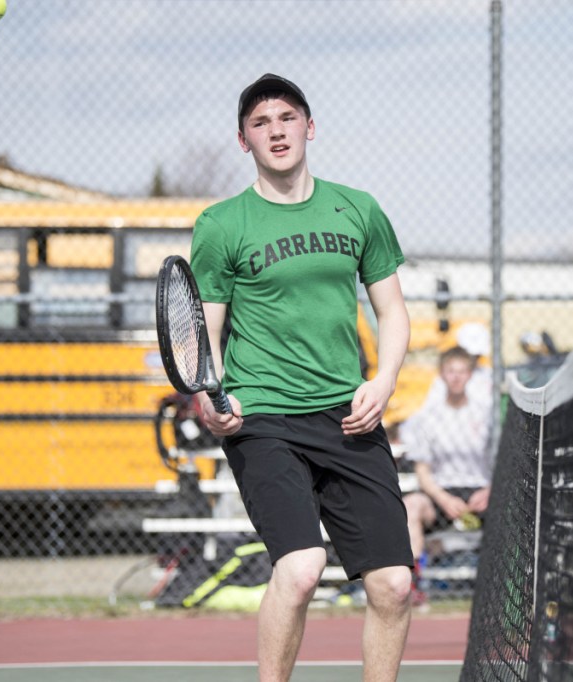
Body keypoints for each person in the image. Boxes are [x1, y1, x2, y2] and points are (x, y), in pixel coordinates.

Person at [191, 74, 413, 681]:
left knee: (394, 584)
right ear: (244, 141)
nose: (276, 131)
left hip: (348, 414)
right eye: (260, 124)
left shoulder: (358, 209)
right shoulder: (221, 224)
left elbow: (392, 311)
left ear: (309, 127)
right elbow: (204, 335)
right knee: (301, 568)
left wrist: (384, 379)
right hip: (263, 418)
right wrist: (211, 400)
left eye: (286, 118)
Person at [400, 346, 492, 604]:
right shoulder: (428, 418)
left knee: (513, 505)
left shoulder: (485, 414)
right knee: (410, 506)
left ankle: (510, 584)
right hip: (441, 493)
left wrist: (489, 491)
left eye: (462, 371)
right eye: (451, 371)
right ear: (441, 374)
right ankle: (413, 584)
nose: (456, 377)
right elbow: (422, 472)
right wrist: (443, 499)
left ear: (470, 375)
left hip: (481, 491)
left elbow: (501, 463)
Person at [422, 322, 493, 409]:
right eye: (469, 356)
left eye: (476, 356)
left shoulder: (487, 374)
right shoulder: (445, 378)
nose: (473, 360)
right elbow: (431, 407)